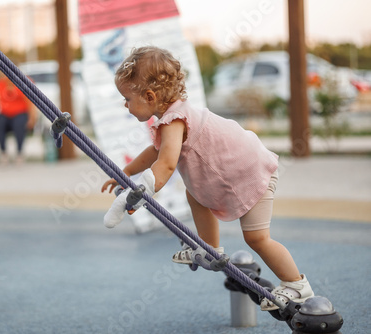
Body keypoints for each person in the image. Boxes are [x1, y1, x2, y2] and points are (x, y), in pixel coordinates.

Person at [101, 46, 314, 311]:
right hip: (235, 173)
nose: (125, 105)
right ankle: (210, 247)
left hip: (252, 173)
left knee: (257, 239)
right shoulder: (173, 117)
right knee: (194, 192)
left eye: (127, 99)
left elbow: (165, 165)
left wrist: (143, 190)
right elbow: (156, 152)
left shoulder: (175, 120)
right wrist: (127, 173)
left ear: (149, 95)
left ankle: (297, 285)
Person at [0, 73, 37, 165]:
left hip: (20, 113)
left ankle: (19, 152)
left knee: (19, 124)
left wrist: (32, 118)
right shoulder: (0, 84)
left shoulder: (23, 82)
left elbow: (30, 102)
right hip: (5, 113)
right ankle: (3, 152)